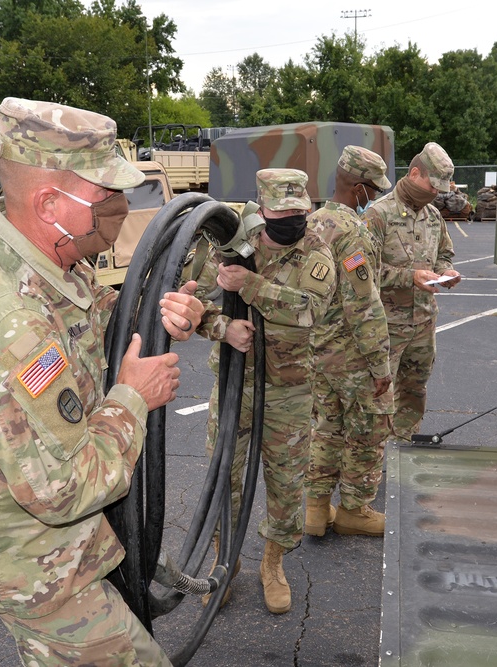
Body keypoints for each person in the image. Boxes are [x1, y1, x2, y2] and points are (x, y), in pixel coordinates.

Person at [0, 98, 205, 666]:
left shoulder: (41, 257)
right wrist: (133, 396)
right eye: (106, 194)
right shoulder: (9, 323)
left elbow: (90, 313)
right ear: (50, 203)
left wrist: (159, 313)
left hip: (42, 527)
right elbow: (65, 489)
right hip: (25, 553)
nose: (123, 207)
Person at [194, 168, 335, 614]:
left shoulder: (316, 250)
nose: (291, 221)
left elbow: (311, 311)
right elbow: (194, 302)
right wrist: (222, 327)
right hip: (236, 381)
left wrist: (249, 286)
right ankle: (225, 562)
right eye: (281, 213)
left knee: (286, 483)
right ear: (261, 208)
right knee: (224, 475)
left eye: (299, 212)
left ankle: (272, 565)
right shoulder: (228, 239)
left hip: (288, 389)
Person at [304, 146, 394, 538]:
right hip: (351, 354)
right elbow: (363, 302)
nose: (374, 197)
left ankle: (315, 508)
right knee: (368, 429)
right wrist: (380, 364)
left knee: (326, 426)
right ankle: (354, 510)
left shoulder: (310, 223)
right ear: (357, 188)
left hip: (316, 349)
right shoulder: (351, 232)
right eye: (372, 190)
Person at [362, 142, 462, 441]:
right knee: (378, 396)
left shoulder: (433, 216)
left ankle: (403, 449)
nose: (435, 193)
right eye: (432, 185)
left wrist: (446, 272)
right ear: (414, 172)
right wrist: (410, 277)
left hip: (423, 323)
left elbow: (445, 253)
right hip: (386, 327)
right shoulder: (377, 215)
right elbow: (361, 273)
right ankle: (372, 458)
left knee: (414, 391)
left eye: (440, 189)